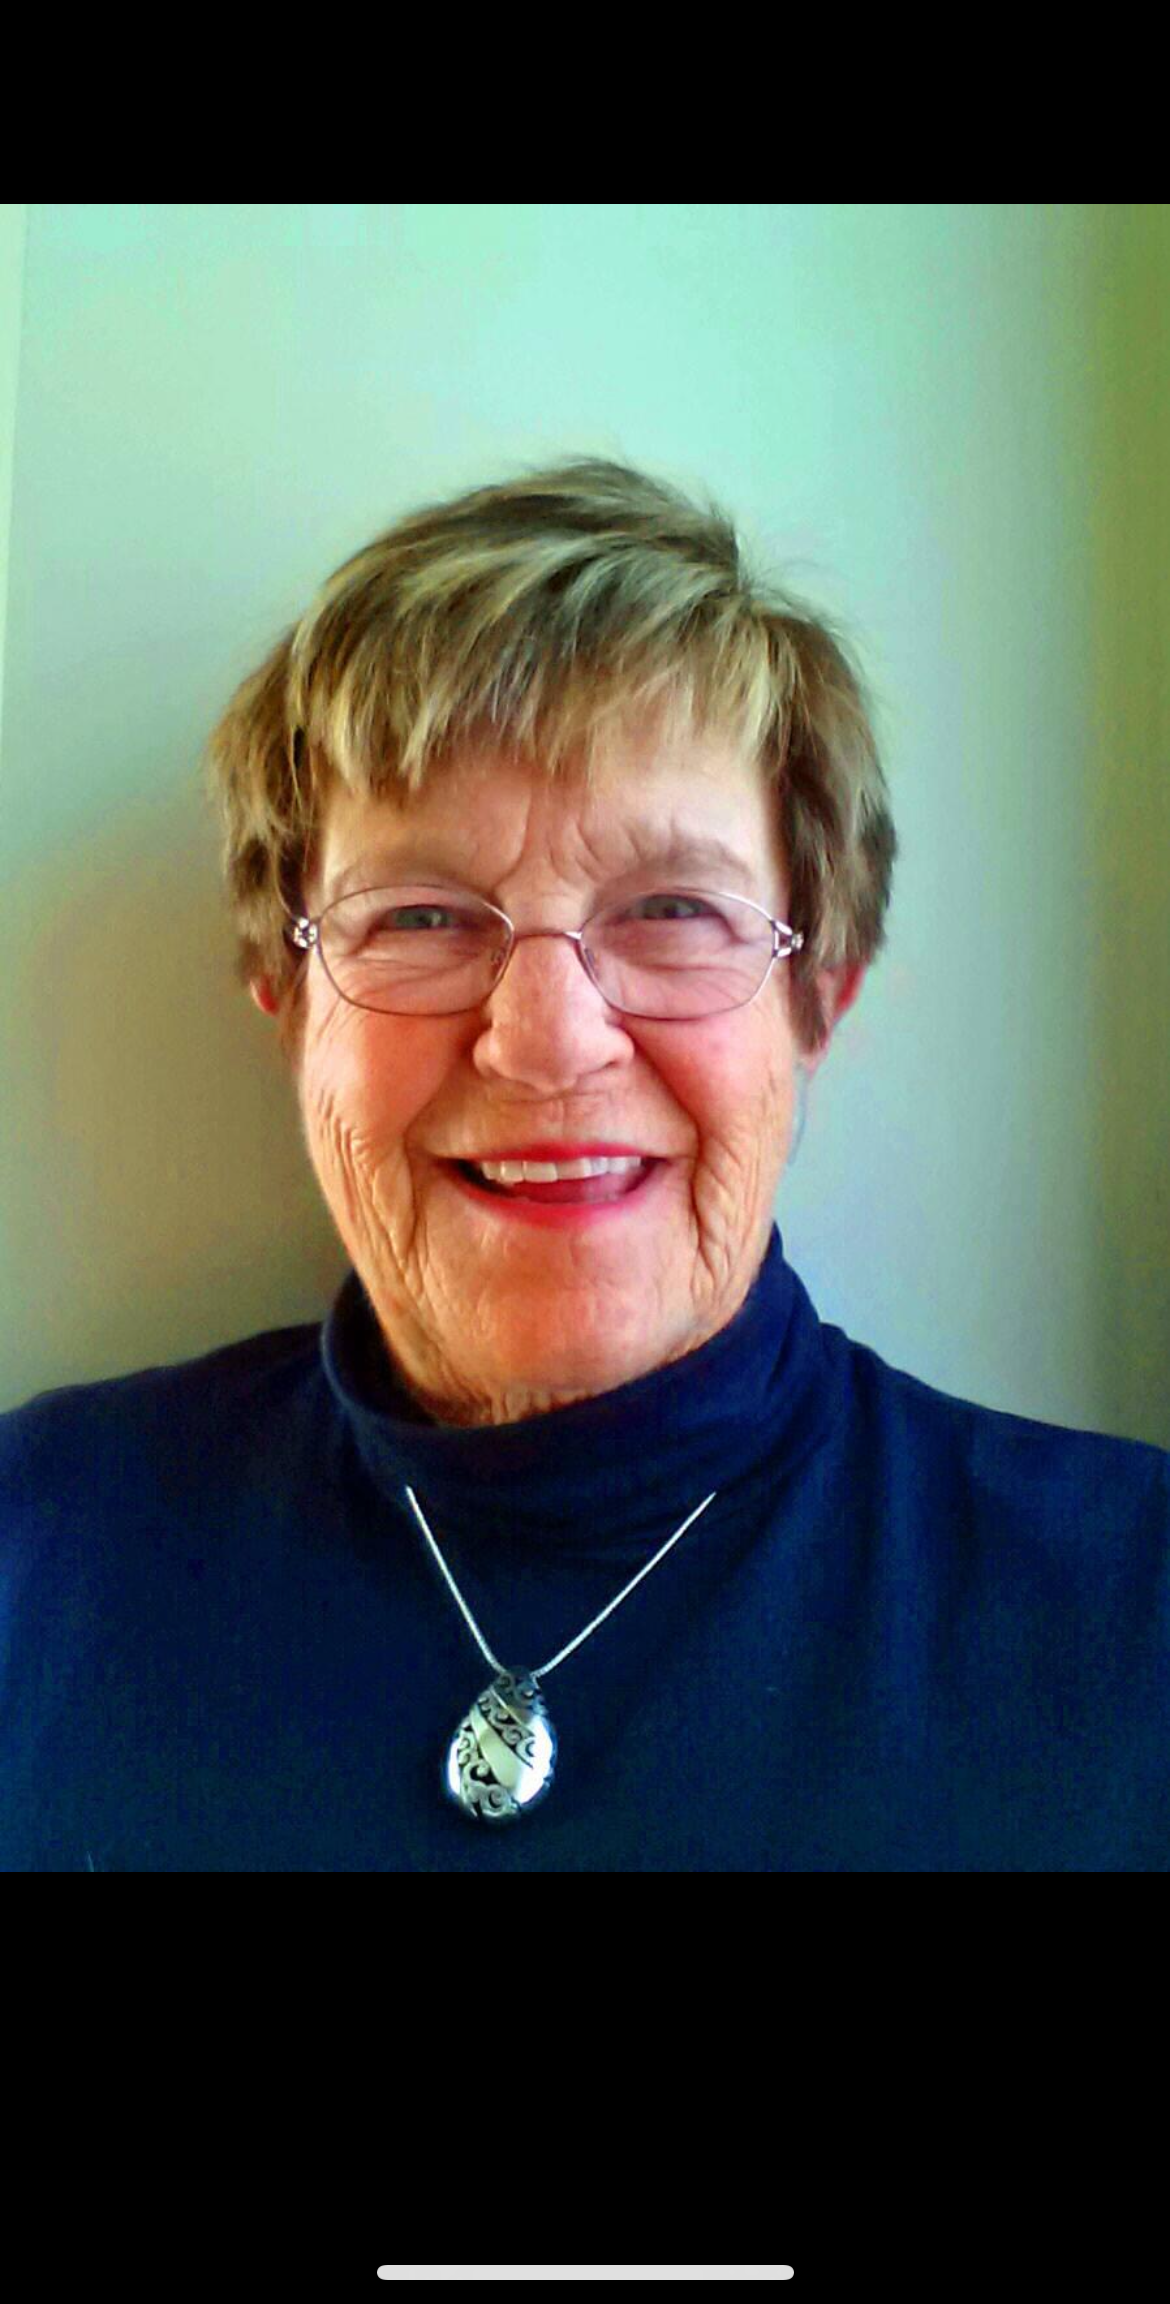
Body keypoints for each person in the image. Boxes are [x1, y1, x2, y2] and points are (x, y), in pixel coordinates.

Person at [2, 454, 1167, 1871]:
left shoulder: (1129, 1613)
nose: (547, 1043)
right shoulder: (37, 1543)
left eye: (671, 909)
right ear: (287, 1003)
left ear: (820, 1000)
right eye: (420, 917)